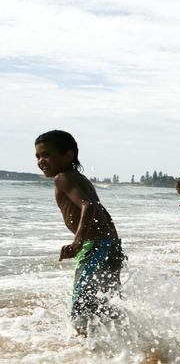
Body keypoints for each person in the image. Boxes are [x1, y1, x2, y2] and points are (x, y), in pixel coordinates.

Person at [34, 130, 126, 335]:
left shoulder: (62, 178)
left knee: (80, 313)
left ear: (68, 155)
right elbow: (98, 209)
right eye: (38, 156)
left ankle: (92, 352)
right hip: (109, 247)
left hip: (95, 248)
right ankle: (126, 345)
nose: (41, 161)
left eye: (46, 155)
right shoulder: (77, 177)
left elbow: (89, 206)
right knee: (104, 305)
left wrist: (78, 241)